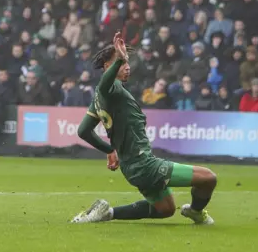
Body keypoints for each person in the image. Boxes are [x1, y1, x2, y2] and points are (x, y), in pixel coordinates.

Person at [72, 33, 217, 225]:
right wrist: (119, 60)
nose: (127, 66)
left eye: (127, 62)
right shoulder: (109, 88)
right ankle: (196, 212)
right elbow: (105, 84)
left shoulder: (102, 97)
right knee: (208, 178)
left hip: (131, 166)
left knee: (165, 209)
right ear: (107, 67)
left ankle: (107, 213)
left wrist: (109, 150)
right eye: (121, 62)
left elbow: (83, 130)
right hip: (144, 165)